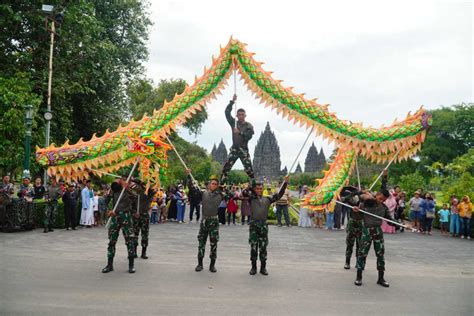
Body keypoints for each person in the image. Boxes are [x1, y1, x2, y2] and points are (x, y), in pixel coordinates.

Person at [243, 176, 289, 276]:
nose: (259, 190)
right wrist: (250, 186)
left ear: (263, 189)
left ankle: (263, 267)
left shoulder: (268, 199)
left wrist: (285, 183)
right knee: (254, 247)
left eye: (260, 188)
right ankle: (253, 267)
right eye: (257, 189)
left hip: (263, 226)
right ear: (255, 189)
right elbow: (244, 193)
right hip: (254, 225)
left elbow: (279, 195)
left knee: (263, 247)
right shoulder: (252, 198)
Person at [187, 171, 231, 273]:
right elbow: (192, 189)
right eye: (212, 183)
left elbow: (230, 196)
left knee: (213, 244)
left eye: (216, 184)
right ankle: (200, 264)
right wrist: (189, 176)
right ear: (209, 184)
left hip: (214, 221)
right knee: (201, 242)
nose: (214, 185)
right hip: (205, 221)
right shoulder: (203, 193)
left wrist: (223, 189)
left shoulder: (220, 195)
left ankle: (212, 265)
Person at [354, 188, 394, 288]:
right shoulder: (365, 204)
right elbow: (358, 217)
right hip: (366, 231)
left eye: (384, 200)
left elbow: (389, 220)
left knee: (380, 254)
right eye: (381, 198)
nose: (382, 201)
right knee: (362, 254)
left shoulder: (384, 208)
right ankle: (359, 277)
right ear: (377, 194)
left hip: (377, 231)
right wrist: (356, 211)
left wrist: (400, 224)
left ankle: (381, 278)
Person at [102, 177, 136, 274]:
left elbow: (135, 197)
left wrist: (127, 189)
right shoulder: (113, 190)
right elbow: (105, 201)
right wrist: (109, 211)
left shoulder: (128, 189)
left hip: (126, 216)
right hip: (115, 216)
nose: (116, 182)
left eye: (119, 181)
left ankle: (131, 265)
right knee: (112, 241)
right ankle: (109, 265)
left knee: (130, 241)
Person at [220, 94, 255, 184]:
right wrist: (232, 102)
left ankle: (253, 187)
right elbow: (227, 113)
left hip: (244, 150)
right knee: (225, 169)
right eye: (239, 115)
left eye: (242, 115)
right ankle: (220, 186)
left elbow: (249, 136)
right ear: (236, 115)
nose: (240, 116)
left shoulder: (249, 126)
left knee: (250, 171)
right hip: (234, 149)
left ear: (245, 115)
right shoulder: (233, 123)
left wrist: (239, 132)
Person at [132, 181, 154, 259]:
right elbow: (130, 203)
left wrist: (143, 184)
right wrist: (134, 212)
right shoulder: (134, 192)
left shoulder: (147, 192)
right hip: (135, 215)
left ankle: (143, 253)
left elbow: (152, 191)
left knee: (145, 234)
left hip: (144, 215)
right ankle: (134, 252)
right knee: (134, 234)